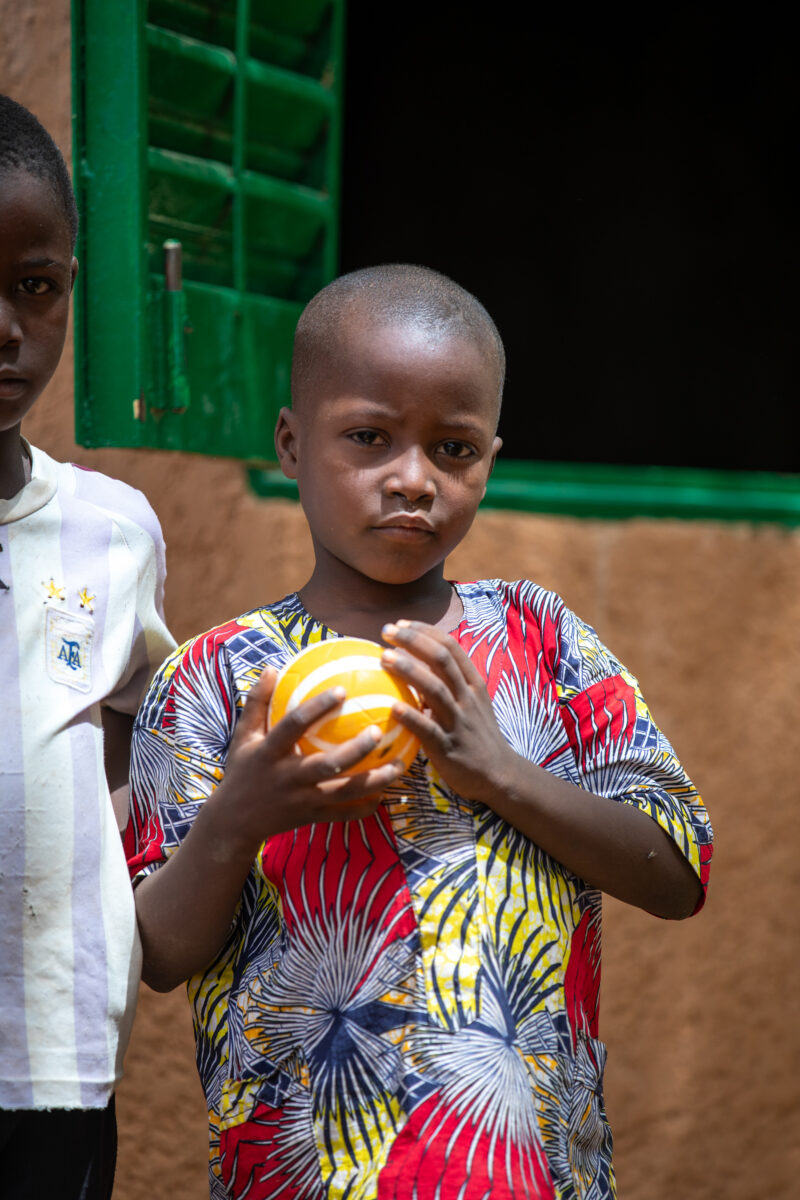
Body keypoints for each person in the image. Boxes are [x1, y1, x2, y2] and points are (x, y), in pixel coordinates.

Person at [128, 264, 713, 1200]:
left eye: (454, 449)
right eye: (368, 438)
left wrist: (497, 770)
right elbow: (155, 954)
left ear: (490, 456)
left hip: (531, 1175)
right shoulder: (216, 678)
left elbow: (680, 871)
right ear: (289, 442)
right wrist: (240, 817)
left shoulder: (542, 636)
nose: (413, 480)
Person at [0, 95, 175, 1199]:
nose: (7, 328)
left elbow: (140, 720)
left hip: (51, 1064)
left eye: (36, 286)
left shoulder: (111, 531)